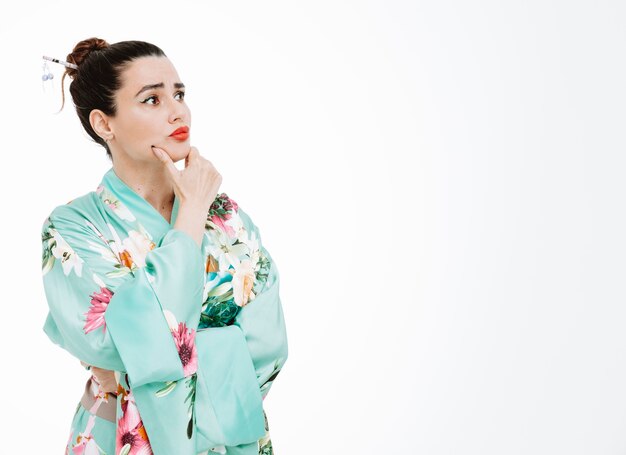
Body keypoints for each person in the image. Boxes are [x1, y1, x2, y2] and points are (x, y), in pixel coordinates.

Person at [40, 37, 288, 455]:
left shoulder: (225, 215)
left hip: (230, 443)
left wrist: (139, 369)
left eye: (179, 94)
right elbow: (105, 344)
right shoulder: (72, 227)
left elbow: (268, 347)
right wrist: (190, 215)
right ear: (105, 124)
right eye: (151, 99)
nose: (177, 110)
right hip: (115, 439)